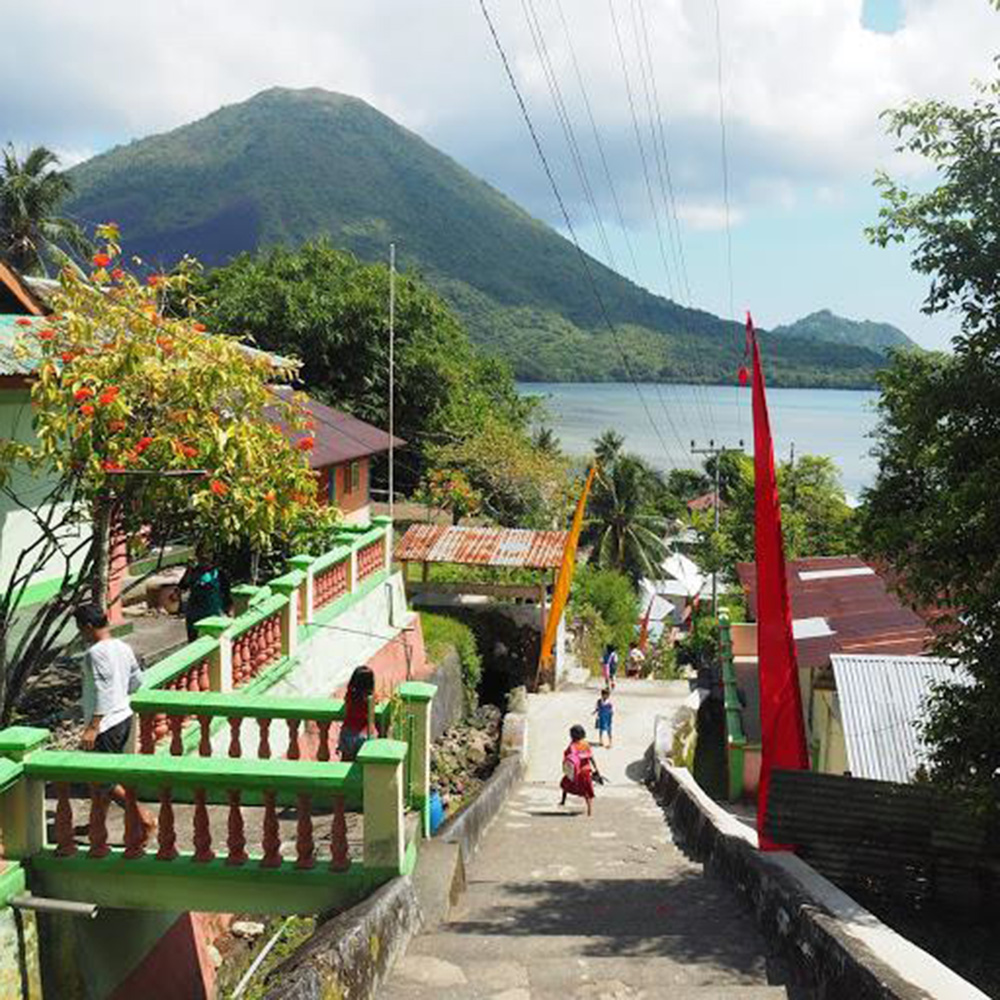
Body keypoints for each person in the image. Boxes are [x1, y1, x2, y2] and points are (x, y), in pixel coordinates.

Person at [74, 604, 156, 839]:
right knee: (101, 780)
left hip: (105, 725)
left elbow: (103, 692)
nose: (80, 633)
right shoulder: (122, 646)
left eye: (80, 628)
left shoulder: (95, 654)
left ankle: (143, 818)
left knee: (104, 780)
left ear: (88, 627)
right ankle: (95, 824)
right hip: (124, 718)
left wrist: (92, 728)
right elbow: (137, 681)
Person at [179, 544, 234, 641]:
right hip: (195, 617)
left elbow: (227, 595)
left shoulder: (219, 573)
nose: (204, 556)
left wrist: (229, 614)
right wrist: (189, 570)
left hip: (214, 616)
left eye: (208, 553)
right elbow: (182, 587)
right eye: (202, 553)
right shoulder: (193, 571)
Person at [559, 724, 602, 816]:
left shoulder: (572, 746)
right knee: (587, 792)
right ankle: (589, 810)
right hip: (586, 771)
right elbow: (591, 758)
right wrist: (597, 769)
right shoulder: (586, 744)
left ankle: (563, 801)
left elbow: (569, 759)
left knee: (565, 784)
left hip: (576, 772)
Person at [337, 665, 376, 762]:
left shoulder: (350, 695)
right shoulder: (369, 699)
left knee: (345, 762)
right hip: (363, 733)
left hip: (347, 732)